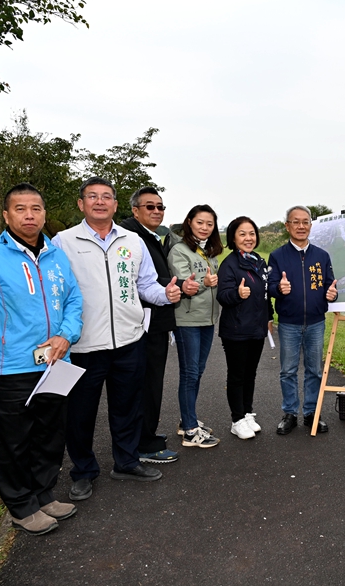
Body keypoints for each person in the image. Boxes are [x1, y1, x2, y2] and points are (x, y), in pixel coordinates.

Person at [0, 183, 83, 536]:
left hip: (55, 361)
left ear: (44, 214)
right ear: (6, 215)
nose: (30, 215)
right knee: (14, 440)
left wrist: (66, 335)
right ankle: (21, 506)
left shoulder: (56, 255)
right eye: (20, 209)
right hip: (10, 367)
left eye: (36, 209)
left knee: (50, 434)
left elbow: (73, 299)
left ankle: (43, 494)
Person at [52, 176, 181, 501]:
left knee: (128, 408)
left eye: (106, 196)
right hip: (83, 345)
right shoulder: (63, 242)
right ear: (81, 204)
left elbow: (146, 285)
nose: (100, 202)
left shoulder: (132, 241)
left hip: (129, 341)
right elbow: (56, 293)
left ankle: (126, 462)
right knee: (80, 414)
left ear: (115, 204)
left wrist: (166, 294)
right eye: (92, 196)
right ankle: (83, 471)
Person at [121, 187, 198, 464]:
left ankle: (145, 437)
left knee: (150, 385)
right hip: (143, 324)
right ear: (135, 210)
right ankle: (144, 444)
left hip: (153, 322)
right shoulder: (130, 237)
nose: (156, 211)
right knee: (146, 386)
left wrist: (178, 287)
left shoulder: (148, 236)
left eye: (160, 207)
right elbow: (140, 282)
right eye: (150, 206)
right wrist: (176, 286)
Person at [268, 205, 338, 435]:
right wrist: (279, 288)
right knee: (288, 370)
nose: (301, 226)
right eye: (295, 222)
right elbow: (270, 286)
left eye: (305, 222)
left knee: (314, 370)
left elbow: (330, 285)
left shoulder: (322, 256)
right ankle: (290, 413)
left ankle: (311, 413)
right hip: (289, 322)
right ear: (287, 226)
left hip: (316, 322)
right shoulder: (277, 256)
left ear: (310, 225)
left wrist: (333, 294)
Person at [167, 204, 222, 448]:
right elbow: (184, 284)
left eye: (209, 224)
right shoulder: (179, 250)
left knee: (197, 371)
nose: (204, 227)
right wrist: (204, 283)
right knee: (189, 373)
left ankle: (187, 419)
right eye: (200, 222)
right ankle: (190, 430)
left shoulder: (208, 252)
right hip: (187, 320)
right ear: (189, 222)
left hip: (207, 320)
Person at [217, 216, 274, 439]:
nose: (248, 238)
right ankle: (237, 419)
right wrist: (237, 293)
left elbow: (265, 294)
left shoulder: (258, 261)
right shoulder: (229, 264)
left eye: (251, 233)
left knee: (250, 374)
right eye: (242, 234)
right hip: (236, 330)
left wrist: (269, 318)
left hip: (257, 328)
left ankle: (247, 412)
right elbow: (222, 296)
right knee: (237, 375)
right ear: (233, 238)